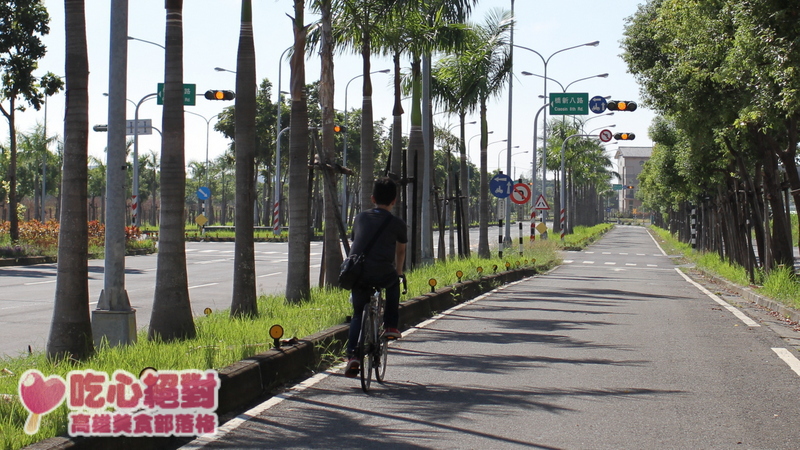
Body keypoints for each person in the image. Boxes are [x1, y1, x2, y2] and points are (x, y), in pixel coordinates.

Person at [344, 177, 407, 378]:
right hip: (382, 272)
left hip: (358, 273)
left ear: (372, 198)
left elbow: (356, 242)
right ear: (394, 201)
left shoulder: (359, 218)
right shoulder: (397, 223)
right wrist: (398, 273)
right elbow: (400, 253)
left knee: (356, 315)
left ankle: (353, 356)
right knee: (394, 284)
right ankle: (390, 325)